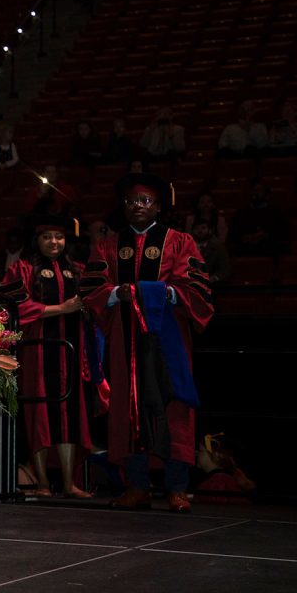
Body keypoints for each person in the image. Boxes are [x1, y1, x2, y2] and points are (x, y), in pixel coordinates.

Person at [81, 173, 213, 514]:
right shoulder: (109, 245)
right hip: (126, 342)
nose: (138, 207)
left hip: (168, 338)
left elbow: (196, 285)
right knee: (128, 408)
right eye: (131, 202)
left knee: (174, 407)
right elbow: (92, 287)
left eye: (146, 201)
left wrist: (163, 293)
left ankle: (177, 489)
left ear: (158, 206)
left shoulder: (180, 241)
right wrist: (114, 294)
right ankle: (137, 486)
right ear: (124, 207)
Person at [0, 214, 92, 499]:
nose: (54, 242)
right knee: (39, 412)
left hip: (71, 351)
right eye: (47, 237)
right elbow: (17, 309)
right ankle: (41, 483)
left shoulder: (77, 271)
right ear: (36, 240)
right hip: (37, 351)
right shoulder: (22, 270)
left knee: (69, 415)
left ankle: (69, 483)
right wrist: (62, 309)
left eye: (59, 237)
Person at [228, 179, 289, 257]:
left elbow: (283, 235)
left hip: (269, 251)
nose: (255, 193)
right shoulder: (241, 213)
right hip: (245, 251)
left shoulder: (276, 213)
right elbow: (232, 236)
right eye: (253, 190)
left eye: (259, 190)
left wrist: (265, 236)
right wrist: (246, 238)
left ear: (267, 194)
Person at [191, 220, 232, 287]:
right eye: (196, 228)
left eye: (203, 228)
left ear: (210, 230)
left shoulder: (219, 248)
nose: (200, 231)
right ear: (192, 231)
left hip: (214, 286)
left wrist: (214, 278)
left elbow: (225, 269)